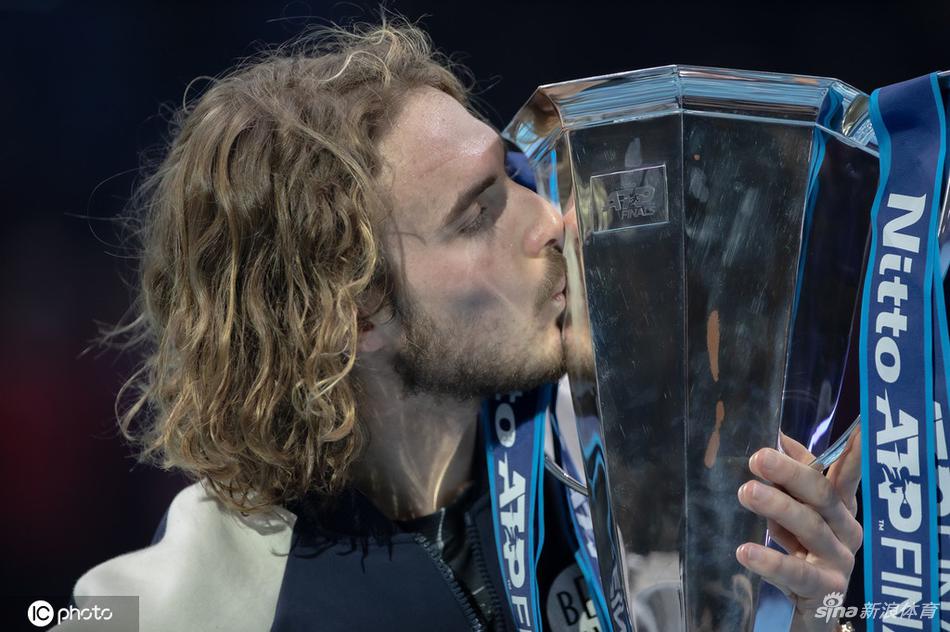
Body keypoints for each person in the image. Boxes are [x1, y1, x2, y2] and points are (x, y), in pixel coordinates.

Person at [71, 19, 863, 632]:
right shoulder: (168, 605)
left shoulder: (641, 469)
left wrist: (813, 616)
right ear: (357, 312)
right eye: (477, 215)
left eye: (512, 175)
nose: (552, 219)